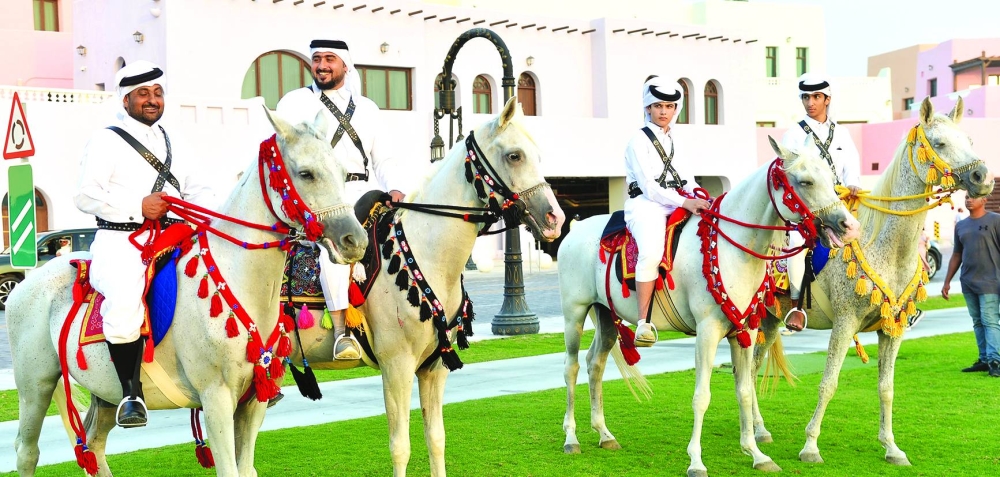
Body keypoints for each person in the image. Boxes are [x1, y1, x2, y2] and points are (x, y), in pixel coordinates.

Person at [75, 61, 218, 427]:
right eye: (143, 94)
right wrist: (138, 206)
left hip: (176, 234)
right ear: (126, 101)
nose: (152, 100)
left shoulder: (175, 140)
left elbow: (199, 189)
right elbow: (86, 196)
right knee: (124, 298)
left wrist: (201, 215)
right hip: (121, 238)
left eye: (157, 93)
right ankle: (130, 393)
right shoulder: (106, 138)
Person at [276, 39, 409, 360]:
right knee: (333, 250)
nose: (322, 65)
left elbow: (385, 159)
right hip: (316, 196)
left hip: (362, 191)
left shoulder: (368, 108)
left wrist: (396, 188)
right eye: (317, 59)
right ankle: (341, 333)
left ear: (345, 66)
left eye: (330, 59)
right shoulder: (294, 102)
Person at [625, 76, 710, 347]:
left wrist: (702, 197)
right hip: (646, 205)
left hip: (677, 200)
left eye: (670, 106)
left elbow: (688, 179)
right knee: (650, 252)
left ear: (676, 109)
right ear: (648, 108)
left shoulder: (676, 140)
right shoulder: (638, 140)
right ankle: (642, 322)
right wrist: (685, 202)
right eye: (658, 105)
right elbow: (649, 186)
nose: (664, 111)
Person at [780, 73, 862, 332]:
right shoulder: (793, 134)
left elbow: (852, 167)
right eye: (805, 97)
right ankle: (796, 305)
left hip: (840, 202)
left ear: (827, 99)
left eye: (816, 97)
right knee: (796, 243)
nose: (810, 102)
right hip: (810, 207)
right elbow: (789, 174)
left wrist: (853, 184)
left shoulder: (842, 133)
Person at [941, 196, 1000, 377]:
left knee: (989, 321)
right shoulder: (961, 226)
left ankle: (995, 361)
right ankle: (983, 359)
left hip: (991, 281)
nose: (968, 200)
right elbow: (957, 254)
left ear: (984, 200)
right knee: (977, 321)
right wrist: (947, 281)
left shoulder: (995, 220)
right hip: (968, 281)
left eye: (973, 197)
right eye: (966, 197)